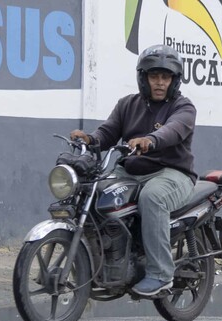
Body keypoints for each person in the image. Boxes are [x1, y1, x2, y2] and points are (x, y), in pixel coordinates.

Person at [71, 44, 196, 297]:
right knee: (95, 192)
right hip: (130, 172)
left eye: (165, 77)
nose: (159, 83)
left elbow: (172, 130)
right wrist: (90, 139)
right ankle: (105, 261)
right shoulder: (127, 104)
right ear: (143, 78)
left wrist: (151, 140)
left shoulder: (183, 107)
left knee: (152, 197)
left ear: (174, 80)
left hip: (171, 173)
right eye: (154, 76)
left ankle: (161, 274)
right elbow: (107, 132)